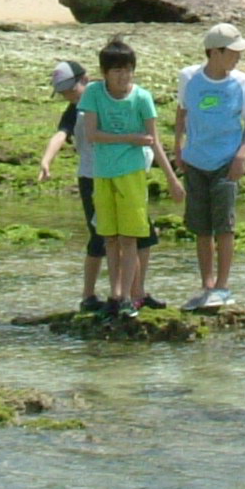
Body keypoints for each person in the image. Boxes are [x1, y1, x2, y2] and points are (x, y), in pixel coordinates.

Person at [38, 59, 157, 314]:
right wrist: (46, 161)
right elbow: (61, 134)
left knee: (140, 234)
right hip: (94, 176)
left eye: (71, 89)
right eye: (63, 93)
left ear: (85, 79)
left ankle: (137, 293)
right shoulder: (77, 107)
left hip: (128, 173)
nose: (68, 96)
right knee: (101, 237)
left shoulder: (106, 96)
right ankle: (90, 295)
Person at [77, 38, 184, 316]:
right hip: (102, 174)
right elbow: (92, 134)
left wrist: (172, 179)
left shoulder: (142, 97)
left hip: (132, 174)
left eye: (127, 70)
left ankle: (125, 295)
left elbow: (154, 141)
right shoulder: (94, 94)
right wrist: (130, 138)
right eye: (116, 71)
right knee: (109, 237)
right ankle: (116, 294)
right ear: (105, 73)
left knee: (129, 237)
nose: (123, 76)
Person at [174, 22, 245, 310]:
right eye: (233, 52)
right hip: (196, 161)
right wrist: (178, 147)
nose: (238, 57)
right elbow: (181, 112)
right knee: (201, 227)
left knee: (224, 226)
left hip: (226, 163)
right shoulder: (189, 78)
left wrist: (242, 155)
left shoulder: (241, 82)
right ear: (215, 52)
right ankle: (207, 285)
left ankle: (223, 287)